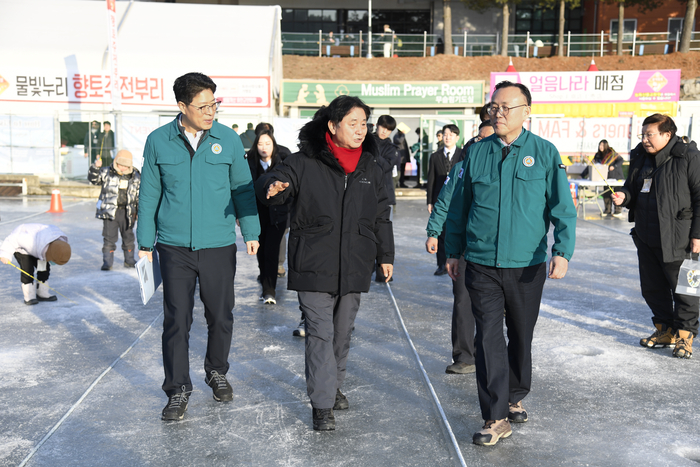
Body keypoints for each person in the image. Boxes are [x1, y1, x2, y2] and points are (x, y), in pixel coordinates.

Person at [444, 81, 576, 446]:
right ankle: (495, 415)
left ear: (526, 111)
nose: (497, 113)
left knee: (520, 334)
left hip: (527, 265)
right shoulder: (476, 153)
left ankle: (515, 393)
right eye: (494, 107)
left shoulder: (545, 153)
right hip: (482, 262)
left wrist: (562, 251)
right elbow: (459, 207)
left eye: (506, 107)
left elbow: (563, 208)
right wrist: (453, 251)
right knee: (487, 339)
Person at [255, 95, 394, 432]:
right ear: (333, 126)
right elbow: (276, 179)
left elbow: (381, 215)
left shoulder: (371, 166)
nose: (361, 130)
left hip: (356, 262)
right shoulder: (304, 162)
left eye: (364, 124)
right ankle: (322, 404)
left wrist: (385, 256)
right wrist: (273, 186)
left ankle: (333, 386)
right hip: (314, 261)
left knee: (342, 333)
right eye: (353, 123)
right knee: (320, 333)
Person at [137, 72, 260, 421]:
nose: (211, 112)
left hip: (219, 244)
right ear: (182, 106)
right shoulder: (159, 140)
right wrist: (146, 243)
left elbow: (243, 189)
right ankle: (177, 389)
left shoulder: (229, 140)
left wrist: (250, 230)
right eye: (203, 106)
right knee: (176, 319)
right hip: (174, 247)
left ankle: (216, 370)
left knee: (220, 314)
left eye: (214, 104)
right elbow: (149, 195)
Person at [612, 113, 700, 360]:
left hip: (680, 238)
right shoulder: (640, 156)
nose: (645, 139)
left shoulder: (689, 157)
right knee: (652, 288)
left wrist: (698, 235)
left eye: (650, 134)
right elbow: (632, 187)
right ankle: (665, 330)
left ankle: (685, 336)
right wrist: (624, 197)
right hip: (647, 236)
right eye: (643, 134)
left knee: (686, 289)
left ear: (667, 135)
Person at [425, 124, 494, 376]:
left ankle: (490, 354)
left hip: (496, 249)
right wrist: (434, 232)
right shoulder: (460, 169)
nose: (485, 142)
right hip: (464, 247)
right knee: (463, 300)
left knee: (493, 307)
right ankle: (464, 356)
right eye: (481, 137)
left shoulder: (504, 169)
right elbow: (443, 202)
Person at [247, 129, 289, 304]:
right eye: (260, 144)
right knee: (261, 250)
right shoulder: (249, 163)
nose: (264, 147)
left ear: (274, 145)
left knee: (271, 250)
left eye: (268, 144)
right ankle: (264, 276)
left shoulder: (283, 161)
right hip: (257, 214)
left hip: (278, 215)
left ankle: (269, 290)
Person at [88, 149, 140, 270]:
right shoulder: (106, 172)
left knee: (128, 237)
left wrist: (138, 212)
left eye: (126, 166)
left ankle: (129, 260)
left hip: (128, 213)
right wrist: (95, 167)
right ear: (116, 162)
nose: (122, 168)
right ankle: (107, 262)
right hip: (110, 212)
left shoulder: (136, 176)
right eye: (120, 165)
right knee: (109, 238)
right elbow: (94, 179)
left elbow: (139, 195)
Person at [0, 224, 71, 305]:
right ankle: (29, 296)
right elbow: (12, 239)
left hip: (40, 249)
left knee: (43, 269)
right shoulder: (27, 239)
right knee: (28, 270)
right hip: (22, 250)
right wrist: (5, 254)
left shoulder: (59, 242)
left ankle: (42, 293)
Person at [426, 124, 462, 276]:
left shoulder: (462, 154)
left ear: (457, 138)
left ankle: (455, 260)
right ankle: (441, 264)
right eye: (445, 134)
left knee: (454, 231)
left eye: (451, 135)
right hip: (439, 200)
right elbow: (431, 180)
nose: (448, 137)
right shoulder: (435, 156)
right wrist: (430, 201)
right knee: (440, 234)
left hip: (458, 200)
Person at [373, 115, 402, 282]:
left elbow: (387, 165)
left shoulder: (392, 147)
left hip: (384, 194)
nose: (384, 131)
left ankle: (381, 270)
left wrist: (372, 156)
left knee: (383, 233)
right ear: (377, 125)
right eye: (382, 127)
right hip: (365, 192)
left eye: (388, 129)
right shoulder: (365, 140)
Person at [592, 139, 624, 216]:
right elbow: (592, 165)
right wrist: (582, 175)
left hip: (616, 176)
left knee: (616, 193)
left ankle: (618, 210)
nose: (601, 147)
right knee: (606, 193)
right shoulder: (598, 155)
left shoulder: (612, 154)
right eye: (600, 145)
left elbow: (621, 160)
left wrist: (614, 166)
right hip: (606, 177)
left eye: (603, 145)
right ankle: (607, 210)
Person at [395, 122, 411, 187]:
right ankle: (398, 183)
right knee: (399, 171)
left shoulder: (401, 136)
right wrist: (403, 134)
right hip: (399, 157)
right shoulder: (396, 136)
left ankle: (402, 182)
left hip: (403, 157)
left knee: (402, 171)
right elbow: (399, 141)